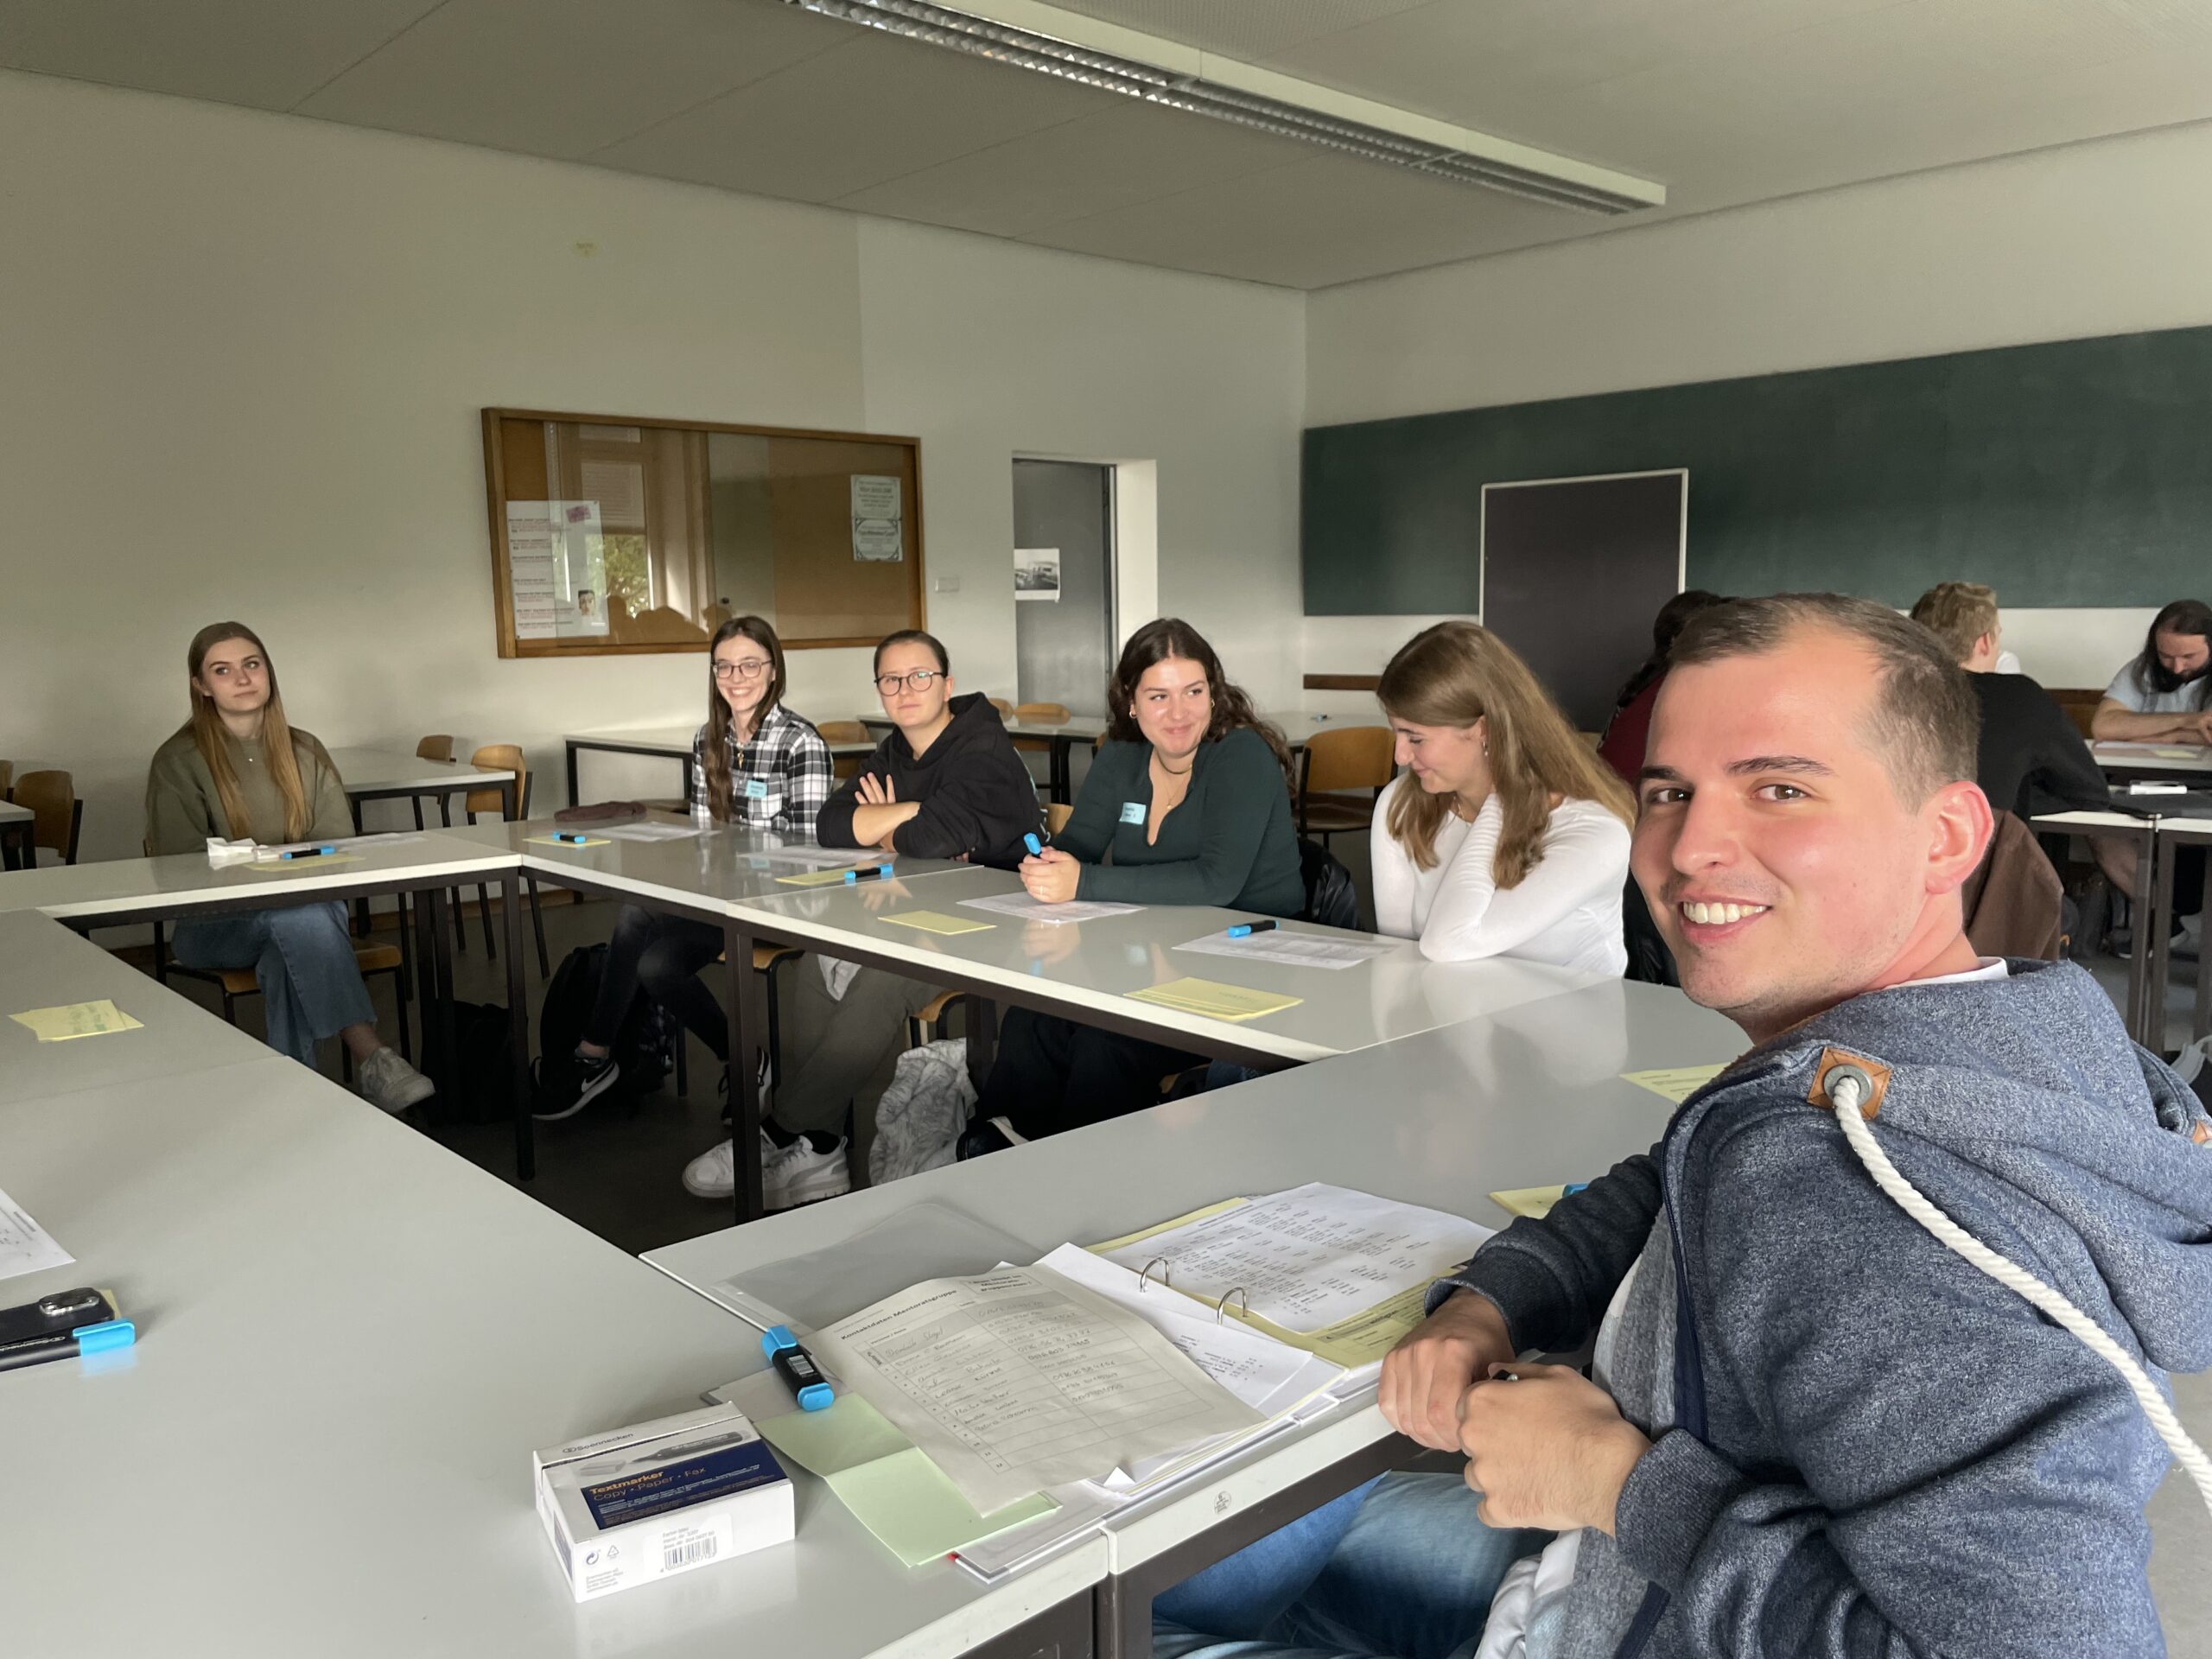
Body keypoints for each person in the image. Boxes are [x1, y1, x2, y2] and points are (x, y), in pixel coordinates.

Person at [1154, 594, 2212, 1659]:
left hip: (1632, 1584)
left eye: (1781, 788)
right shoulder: (1983, 1028)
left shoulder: (1857, 1201)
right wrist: (1499, 1294)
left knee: (1157, 1610)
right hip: (1616, 1579)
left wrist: (1621, 1487)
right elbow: (1679, 1169)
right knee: (1233, 1559)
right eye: (1668, 791)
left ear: (1945, 838)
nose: (1690, 845)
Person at [677, 629, 1043, 1203]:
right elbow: (831, 824)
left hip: (998, 919)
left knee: (881, 980)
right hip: (916, 907)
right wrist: (918, 817)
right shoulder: (898, 749)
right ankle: (821, 1150)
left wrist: (900, 824)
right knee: (819, 959)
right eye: (891, 680)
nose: (905, 689)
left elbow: (929, 837)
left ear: (946, 683)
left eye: (919, 676)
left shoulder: (982, 748)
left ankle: (778, 1131)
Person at [960, 618, 1302, 1155]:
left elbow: (1218, 879)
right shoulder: (1123, 753)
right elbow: (1082, 844)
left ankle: (1087, 1177)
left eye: (1193, 691)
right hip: (1156, 949)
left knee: (1104, 1039)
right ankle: (1012, 1146)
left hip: (1247, 959)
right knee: (1035, 1014)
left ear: (1214, 692)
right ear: (1131, 703)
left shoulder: (1241, 757)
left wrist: (1083, 882)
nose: (1179, 712)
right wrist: (1047, 862)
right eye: (1159, 695)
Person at [537, 617, 831, 1159]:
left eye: (750, 665)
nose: (736, 676)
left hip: (781, 901)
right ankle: (743, 1059)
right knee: (655, 965)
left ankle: (594, 1053)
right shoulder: (708, 738)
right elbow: (703, 835)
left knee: (635, 916)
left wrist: (725, 868)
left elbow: (807, 854)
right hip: (721, 895)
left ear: (773, 671)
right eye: (724, 666)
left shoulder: (799, 742)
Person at [145, 622, 434, 1112]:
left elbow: (339, 846)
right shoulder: (178, 759)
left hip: (301, 914)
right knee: (301, 918)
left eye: (251, 664)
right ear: (200, 685)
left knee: (291, 933)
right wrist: (285, 865)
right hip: (214, 925)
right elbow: (181, 865)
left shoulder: (305, 749)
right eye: (223, 669)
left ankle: (297, 1090)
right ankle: (370, 1054)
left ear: (269, 672)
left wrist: (260, 860)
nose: (242, 678)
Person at [1372, 621, 1633, 975]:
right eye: (1397, 734)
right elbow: (1397, 960)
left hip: (1565, 1028)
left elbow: (1447, 941)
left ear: (1482, 729)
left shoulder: (1595, 832)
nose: (1400, 757)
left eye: (1415, 739)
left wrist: (1500, 803)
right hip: (1442, 1021)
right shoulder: (1400, 804)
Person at [1910, 581, 2137, 897]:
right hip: (1978, 889)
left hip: (1892, 876)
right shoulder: (2019, 698)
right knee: (2061, 915)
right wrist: (2019, 793)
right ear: (1985, 641)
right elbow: (2091, 792)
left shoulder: (1887, 694)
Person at [1595, 589, 1725, 785]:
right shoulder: (1680, 687)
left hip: (1607, 790)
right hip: (1626, 799)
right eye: (1713, 634)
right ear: (1677, 640)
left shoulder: (1647, 678)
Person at [2092, 598, 2212, 742]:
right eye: (2166, 656)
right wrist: (2186, 721)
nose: (2177, 668)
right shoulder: (2143, 667)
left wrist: (2170, 736)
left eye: (2188, 656)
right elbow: (2103, 728)